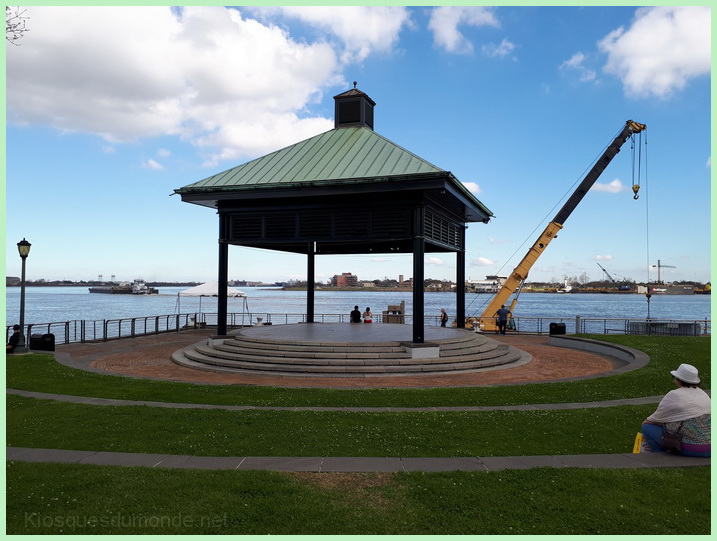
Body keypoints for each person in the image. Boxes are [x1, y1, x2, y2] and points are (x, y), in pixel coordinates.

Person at [641, 363, 710, 457]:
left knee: (647, 428)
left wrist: (645, 423)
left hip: (693, 448)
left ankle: (658, 456)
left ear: (679, 380)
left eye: (675, 377)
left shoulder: (675, 395)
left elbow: (654, 419)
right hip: (711, 447)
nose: (674, 381)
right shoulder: (703, 394)